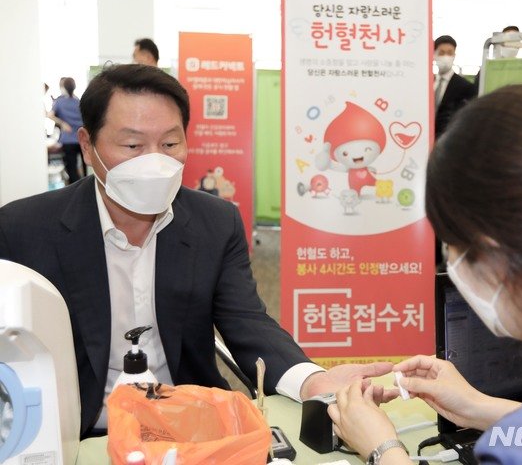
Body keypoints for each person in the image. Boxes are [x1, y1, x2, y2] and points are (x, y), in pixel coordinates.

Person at [0, 64, 392, 439]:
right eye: (133, 145)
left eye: (170, 143)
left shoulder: (215, 223)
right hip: (81, 433)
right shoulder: (24, 230)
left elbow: (247, 321)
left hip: (192, 425)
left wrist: (312, 381)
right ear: (88, 146)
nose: (154, 161)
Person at [328, 84, 522, 464]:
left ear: (494, 253)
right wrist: (478, 407)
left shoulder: (520, 454)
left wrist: (382, 448)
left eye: (451, 247)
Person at [433, 35, 476, 140]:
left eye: (450, 53)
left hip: (448, 140)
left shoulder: (465, 87)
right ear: (434, 54)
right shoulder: (428, 82)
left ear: (454, 55)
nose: (446, 57)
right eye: (441, 53)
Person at [49, 77, 86, 183]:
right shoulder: (79, 101)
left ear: (63, 87)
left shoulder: (59, 102)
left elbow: (50, 115)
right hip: (81, 139)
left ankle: (76, 189)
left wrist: (62, 123)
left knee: (72, 170)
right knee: (84, 168)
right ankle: (85, 188)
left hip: (68, 140)